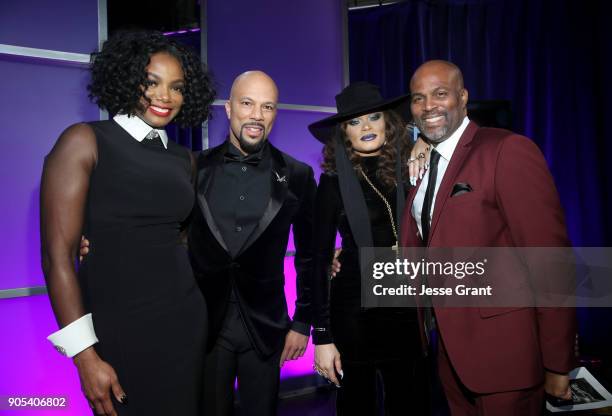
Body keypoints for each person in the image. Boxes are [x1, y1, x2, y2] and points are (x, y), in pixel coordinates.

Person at [41, 31, 215, 415]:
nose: (163, 97)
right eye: (151, 82)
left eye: (176, 87)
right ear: (126, 79)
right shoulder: (85, 141)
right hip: (119, 326)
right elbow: (57, 258)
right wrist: (84, 357)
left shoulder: (184, 159)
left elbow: (178, 240)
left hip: (184, 322)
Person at [400, 60, 577, 415]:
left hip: (505, 358)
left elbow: (550, 260)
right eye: (419, 99)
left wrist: (559, 362)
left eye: (440, 94)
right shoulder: (421, 164)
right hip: (449, 354)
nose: (428, 106)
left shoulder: (506, 150)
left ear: (463, 98)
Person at [187, 70, 316, 416]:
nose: (257, 115)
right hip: (204, 323)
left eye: (268, 106)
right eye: (247, 103)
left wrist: (303, 322)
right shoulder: (192, 168)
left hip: (266, 325)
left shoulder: (298, 175)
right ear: (229, 108)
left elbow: (311, 255)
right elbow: (166, 232)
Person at [308, 82, 430, 415]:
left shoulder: (412, 170)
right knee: (357, 405)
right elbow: (317, 261)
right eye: (354, 122)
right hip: (353, 312)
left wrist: (424, 139)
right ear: (343, 132)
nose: (365, 127)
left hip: (405, 307)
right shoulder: (332, 183)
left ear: (388, 123)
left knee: (411, 401)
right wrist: (321, 337)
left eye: (374, 117)